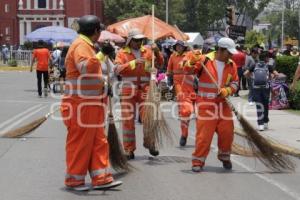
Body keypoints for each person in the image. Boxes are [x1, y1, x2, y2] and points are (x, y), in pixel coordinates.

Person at [60, 15, 122, 191]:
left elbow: (92, 74)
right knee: (80, 143)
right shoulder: (80, 45)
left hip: (91, 104)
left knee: (98, 142)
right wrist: (103, 53)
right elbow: (85, 68)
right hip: (80, 105)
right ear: (96, 31)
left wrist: (104, 84)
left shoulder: (87, 45)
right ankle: (74, 180)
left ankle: (101, 178)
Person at [183, 37, 239, 172]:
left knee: (227, 133)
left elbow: (235, 83)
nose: (231, 55)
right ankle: (198, 161)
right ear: (221, 50)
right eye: (229, 52)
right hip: (206, 105)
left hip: (223, 105)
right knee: (204, 136)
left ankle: (225, 156)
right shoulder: (204, 60)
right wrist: (191, 62)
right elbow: (187, 70)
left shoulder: (231, 65)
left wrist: (227, 90)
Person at [114, 28, 163, 159]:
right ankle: (129, 149)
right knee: (128, 120)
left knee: (149, 117)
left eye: (140, 40)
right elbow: (117, 70)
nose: (138, 42)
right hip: (128, 89)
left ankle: (150, 144)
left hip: (146, 88)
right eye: (135, 40)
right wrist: (132, 63)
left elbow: (159, 64)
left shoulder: (147, 51)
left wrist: (157, 53)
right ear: (130, 41)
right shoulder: (122, 53)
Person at [244, 51, 279, 131]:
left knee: (259, 105)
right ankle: (266, 122)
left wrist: (252, 78)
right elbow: (276, 74)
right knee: (266, 105)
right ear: (266, 58)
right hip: (266, 88)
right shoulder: (269, 66)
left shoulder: (254, 65)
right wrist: (270, 79)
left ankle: (260, 124)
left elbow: (245, 73)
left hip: (256, 88)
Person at [167, 40, 193, 146]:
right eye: (177, 46)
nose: (178, 48)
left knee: (189, 110)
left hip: (191, 83)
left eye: (180, 46)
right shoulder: (173, 56)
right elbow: (169, 69)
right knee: (184, 110)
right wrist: (169, 78)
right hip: (178, 84)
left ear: (184, 47)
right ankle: (184, 134)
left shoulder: (190, 55)